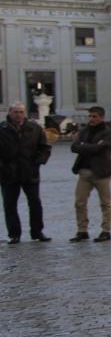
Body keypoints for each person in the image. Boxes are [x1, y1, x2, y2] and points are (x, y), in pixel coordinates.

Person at [0, 102, 52, 243]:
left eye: (21, 112)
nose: (19, 114)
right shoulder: (2, 128)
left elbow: (45, 148)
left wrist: (38, 162)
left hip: (30, 172)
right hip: (8, 173)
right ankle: (14, 234)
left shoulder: (34, 128)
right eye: (16, 112)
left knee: (35, 203)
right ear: (10, 112)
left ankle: (37, 232)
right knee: (10, 205)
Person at [70, 106, 111, 242]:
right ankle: (82, 230)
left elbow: (101, 148)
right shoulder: (84, 131)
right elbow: (74, 147)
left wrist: (84, 146)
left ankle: (106, 230)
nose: (91, 119)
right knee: (79, 202)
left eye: (94, 116)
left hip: (101, 172)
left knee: (105, 203)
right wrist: (90, 147)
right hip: (84, 171)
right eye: (90, 116)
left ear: (101, 117)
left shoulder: (109, 132)